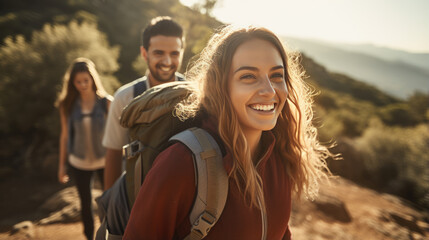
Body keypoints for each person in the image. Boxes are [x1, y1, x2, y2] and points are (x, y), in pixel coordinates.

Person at [123, 25, 334, 240]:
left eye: (277, 75)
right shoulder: (181, 163)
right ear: (221, 86)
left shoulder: (279, 158)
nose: (270, 91)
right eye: (249, 76)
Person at [102, 16, 185, 190]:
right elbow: (114, 153)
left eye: (174, 54)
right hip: (138, 194)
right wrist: (110, 209)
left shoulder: (196, 95)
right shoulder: (125, 97)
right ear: (144, 53)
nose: (167, 62)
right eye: (159, 53)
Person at [56, 57, 112, 240]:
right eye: (78, 82)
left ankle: (109, 234)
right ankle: (89, 237)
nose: (82, 85)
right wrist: (61, 166)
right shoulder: (67, 104)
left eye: (85, 80)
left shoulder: (106, 102)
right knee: (85, 204)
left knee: (109, 202)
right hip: (78, 161)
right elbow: (64, 136)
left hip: (104, 160)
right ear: (72, 83)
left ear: (92, 79)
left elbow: (117, 134)